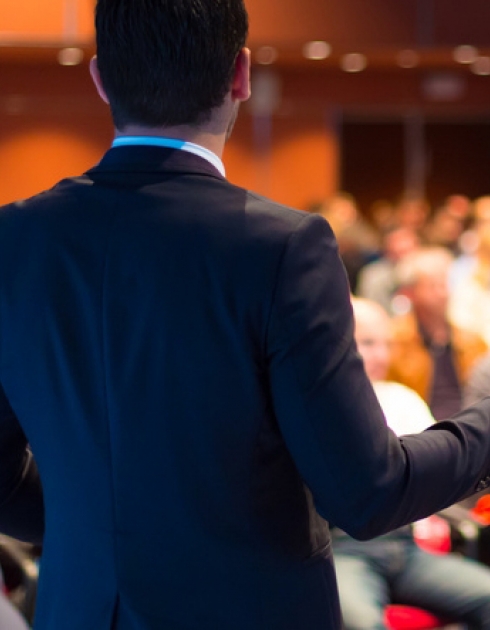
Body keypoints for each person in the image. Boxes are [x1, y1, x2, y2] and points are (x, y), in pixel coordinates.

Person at [4, 2, 490, 629]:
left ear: (99, 77)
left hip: (81, 610)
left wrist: (105, 523)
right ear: (241, 74)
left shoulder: (15, 239)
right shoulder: (281, 246)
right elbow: (367, 491)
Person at [333, 298, 490, 630]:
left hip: (405, 547)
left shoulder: (402, 397)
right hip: (347, 549)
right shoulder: (324, 411)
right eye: (368, 343)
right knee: (361, 623)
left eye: (386, 344)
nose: (381, 356)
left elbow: (441, 470)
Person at [387, 246, 487, 419]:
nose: (443, 293)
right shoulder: (393, 341)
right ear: (411, 293)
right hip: (420, 430)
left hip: (468, 427)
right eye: (433, 286)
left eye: (445, 284)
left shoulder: (473, 341)